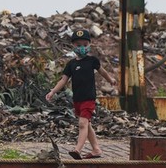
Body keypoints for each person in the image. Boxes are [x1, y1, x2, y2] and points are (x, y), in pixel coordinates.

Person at [45, 28, 116, 159]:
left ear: (89, 45)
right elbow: (64, 80)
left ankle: (77, 149)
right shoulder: (71, 64)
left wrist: (110, 80)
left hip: (89, 98)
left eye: (85, 44)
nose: (82, 48)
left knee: (82, 123)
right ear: (73, 46)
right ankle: (96, 149)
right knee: (87, 124)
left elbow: (102, 71)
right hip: (77, 99)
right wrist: (53, 91)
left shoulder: (92, 61)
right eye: (78, 45)